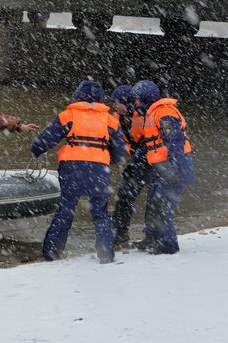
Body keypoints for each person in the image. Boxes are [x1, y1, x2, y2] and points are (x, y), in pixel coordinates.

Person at [30, 80, 127, 264]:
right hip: (99, 170)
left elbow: (47, 138)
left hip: (72, 169)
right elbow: (120, 150)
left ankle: (52, 253)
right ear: (100, 99)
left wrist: (36, 149)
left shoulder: (69, 115)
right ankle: (106, 254)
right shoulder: (110, 120)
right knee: (100, 214)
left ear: (77, 95)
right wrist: (107, 159)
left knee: (66, 211)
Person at [131, 80, 195, 254]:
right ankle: (152, 237)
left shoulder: (164, 112)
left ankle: (168, 245)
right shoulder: (152, 114)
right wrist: (135, 160)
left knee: (163, 205)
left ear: (145, 98)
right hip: (162, 168)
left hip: (174, 167)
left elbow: (175, 141)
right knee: (154, 202)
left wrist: (173, 167)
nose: (135, 103)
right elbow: (151, 144)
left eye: (137, 99)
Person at [109, 85, 154, 249]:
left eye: (116, 102)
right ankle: (120, 235)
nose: (113, 106)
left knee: (154, 199)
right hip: (138, 161)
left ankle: (152, 237)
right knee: (124, 195)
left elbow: (149, 142)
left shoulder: (144, 114)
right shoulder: (117, 117)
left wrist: (135, 162)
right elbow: (110, 139)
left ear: (127, 103)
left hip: (154, 161)